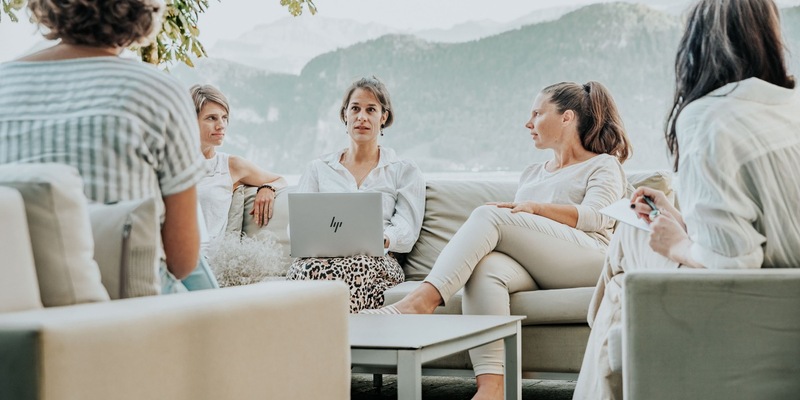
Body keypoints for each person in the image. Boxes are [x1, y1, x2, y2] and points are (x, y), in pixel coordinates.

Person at [572, 0, 800, 398]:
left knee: (628, 249)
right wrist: (684, 220)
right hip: (783, 288)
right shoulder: (790, 107)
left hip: (753, 299)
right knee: (627, 266)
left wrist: (677, 243)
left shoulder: (709, 118)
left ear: (697, 46)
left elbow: (734, 263)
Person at [365, 81, 632, 400]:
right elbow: (527, 240)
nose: (528, 122)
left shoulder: (603, 164)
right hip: (541, 268)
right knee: (486, 268)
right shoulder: (533, 173)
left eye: (537, 113)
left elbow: (598, 217)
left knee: (489, 214)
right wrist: (529, 213)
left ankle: (421, 301)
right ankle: (492, 386)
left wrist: (535, 208)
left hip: (589, 259)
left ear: (567, 118)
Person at [0, 0, 204, 293]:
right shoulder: (159, 92)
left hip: (17, 304)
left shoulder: (3, 82)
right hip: (125, 313)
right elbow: (182, 261)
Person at [286, 76, 426, 313]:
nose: (362, 116)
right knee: (307, 269)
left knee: (350, 269)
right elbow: (297, 228)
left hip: (378, 261)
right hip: (322, 260)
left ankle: (329, 343)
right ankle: (328, 342)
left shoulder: (403, 169)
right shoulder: (318, 169)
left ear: (383, 117)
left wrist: (379, 238)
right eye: (355, 109)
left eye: (371, 109)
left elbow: (407, 230)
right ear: (345, 115)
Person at [189, 84, 287, 249]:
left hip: (209, 263)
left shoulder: (231, 165)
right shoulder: (170, 164)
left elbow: (279, 179)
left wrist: (267, 188)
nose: (221, 125)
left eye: (224, 117)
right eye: (211, 118)